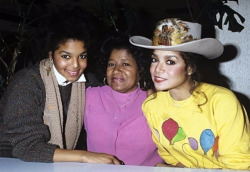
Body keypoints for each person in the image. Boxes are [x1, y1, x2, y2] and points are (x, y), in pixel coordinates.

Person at [0, 8, 121, 164]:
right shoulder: (28, 82)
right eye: (66, 56)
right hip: (10, 160)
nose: (75, 65)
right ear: (51, 54)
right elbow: (26, 146)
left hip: (52, 163)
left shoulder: (87, 82)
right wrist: (84, 156)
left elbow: (117, 91)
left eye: (82, 56)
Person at [129, 18, 250, 169]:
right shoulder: (152, 105)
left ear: (191, 68)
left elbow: (238, 165)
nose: (157, 69)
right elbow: (171, 158)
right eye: (155, 59)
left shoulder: (221, 102)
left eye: (170, 61)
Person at [84, 32, 162, 166]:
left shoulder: (154, 100)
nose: (116, 70)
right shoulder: (89, 96)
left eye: (125, 64)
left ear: (140, 70)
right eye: (111, 64)